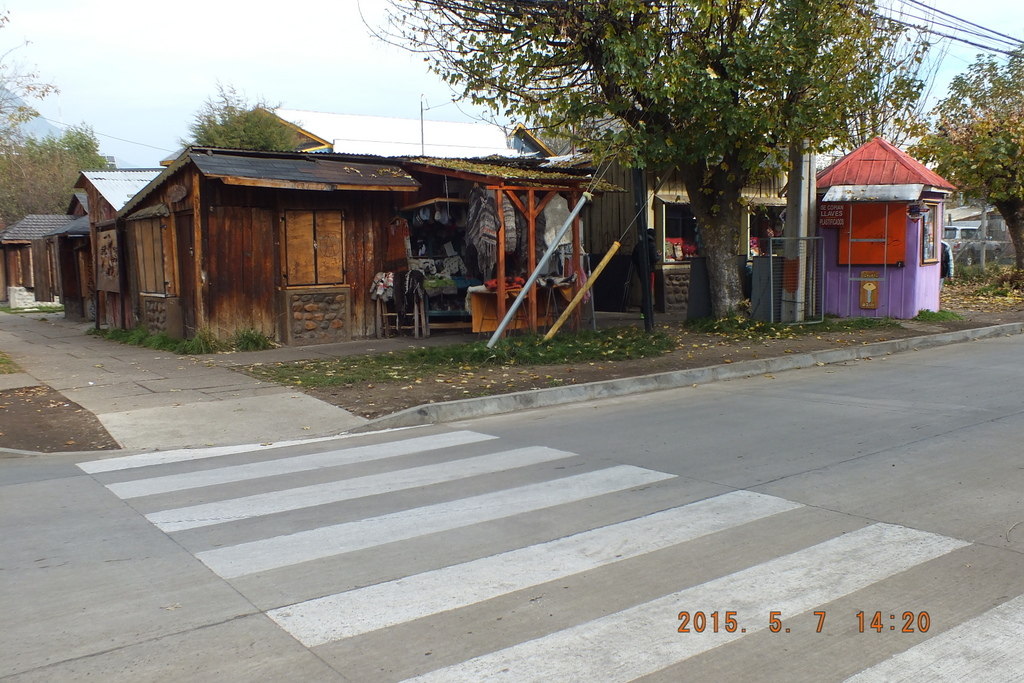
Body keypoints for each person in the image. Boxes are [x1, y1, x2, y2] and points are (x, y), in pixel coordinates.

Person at [632, 228, 661, 296]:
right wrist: (658, 255)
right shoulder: (652, 244)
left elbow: (633, 257)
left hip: (640, 269)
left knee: (644, 287)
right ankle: (648, 305)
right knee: (649, 288)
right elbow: (654, 258)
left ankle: (644, 304)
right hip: (649, 269)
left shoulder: (639, 244)